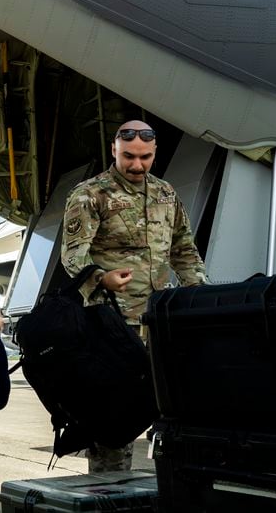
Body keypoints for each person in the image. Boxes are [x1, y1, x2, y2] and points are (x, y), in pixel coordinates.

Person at [61, 120, 209, 472]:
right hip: (112, 323)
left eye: (145, 157)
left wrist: (200, 293)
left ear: (155, 153)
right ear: (114, 149)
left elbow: (184, 250)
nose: (137, 165)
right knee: (116, 417)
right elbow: (72, 256)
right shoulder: (89, 194)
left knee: (171, 409)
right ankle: (108, 490)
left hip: (159, 323)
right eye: (128, 156)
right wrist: (102, 277)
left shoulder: (165, 193)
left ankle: (168, 487)